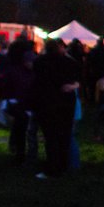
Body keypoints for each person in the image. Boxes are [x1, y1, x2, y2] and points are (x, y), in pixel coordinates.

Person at [31, 39, 81, 179]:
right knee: (64, 135)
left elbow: (38, 80)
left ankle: (53, 167)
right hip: (66, 104)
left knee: (51, 137)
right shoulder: (70, 63)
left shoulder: (41, 63)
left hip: (48, 104)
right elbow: (77, 78)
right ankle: (63, 165)